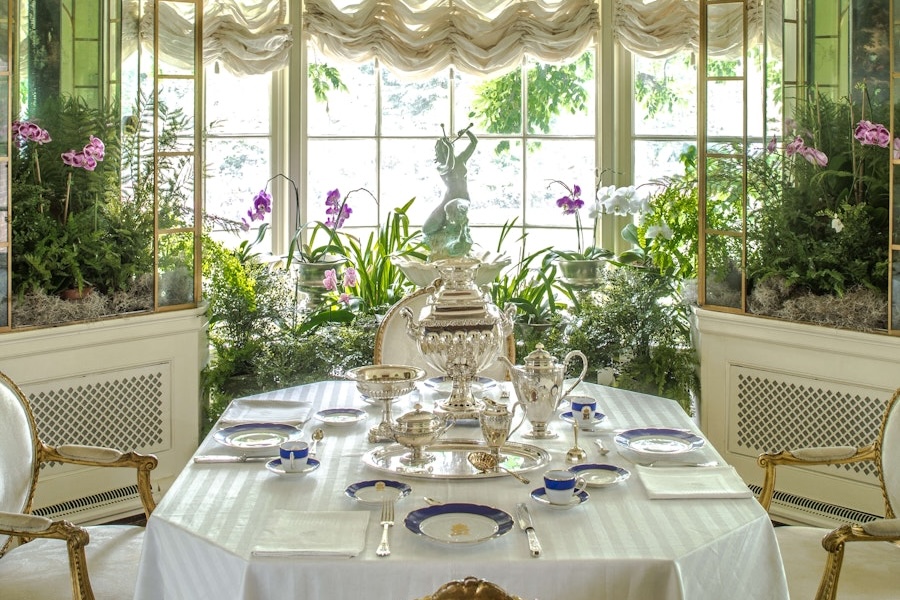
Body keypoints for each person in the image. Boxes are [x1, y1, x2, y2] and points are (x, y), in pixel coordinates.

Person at [423, 124, 477, 259]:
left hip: (462, 199)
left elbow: (474, 143)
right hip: (449, 201)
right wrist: (449, 148)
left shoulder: (461, 159)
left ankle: (460, 242)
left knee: (459, 220)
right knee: (427, 228)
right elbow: (450, 165)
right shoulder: (441, 166)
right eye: (443, 148)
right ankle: (448, 243)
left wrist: (467, 132)